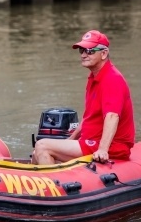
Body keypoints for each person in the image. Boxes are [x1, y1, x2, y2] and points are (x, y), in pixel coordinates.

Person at [32, 30, 134, 164]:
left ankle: (53, 184)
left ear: (104, 53)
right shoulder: (94, 77)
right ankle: (45, 181)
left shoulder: (112, 79)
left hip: (111, 146)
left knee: (42, 145)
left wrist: (103, 149)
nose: (84, 55)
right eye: (82, 51)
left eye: (90, 51)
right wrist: (71, 140)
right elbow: (89, 118)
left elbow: (112, 116)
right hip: (89, 142)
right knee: (36, 154)